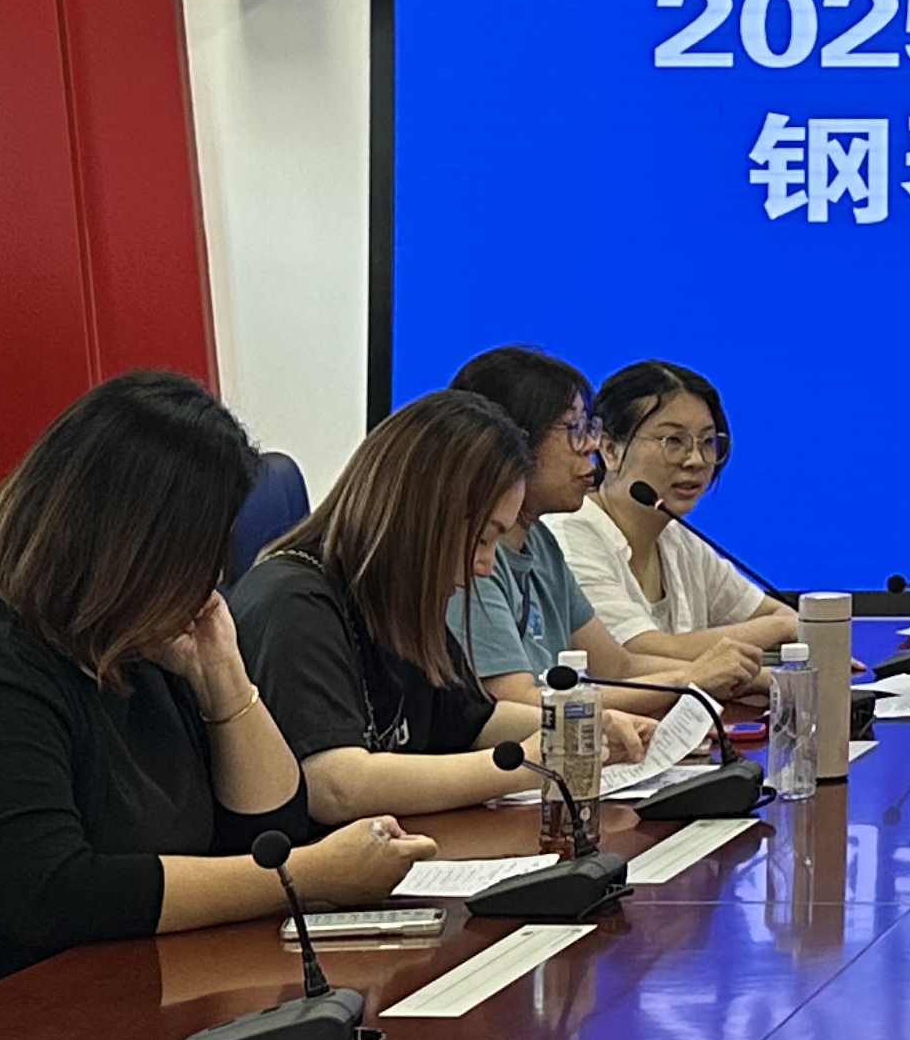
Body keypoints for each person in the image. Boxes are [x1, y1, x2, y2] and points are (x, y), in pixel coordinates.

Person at [0, 372, 433, 1040]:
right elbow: (56, 894)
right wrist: (303, 878)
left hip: (58, 1013)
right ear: (134, 548)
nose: (211, 581)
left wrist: (224, 681)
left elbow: (266, 829)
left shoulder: (135, 645)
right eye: (199, 554)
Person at [236, 391, 648, 823]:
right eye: (483, 539)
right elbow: (335, 784)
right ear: (425, 514)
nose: (485, 567)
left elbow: (473, 723)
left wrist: (580, 724)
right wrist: (531, 762)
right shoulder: (294, 601)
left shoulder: (399, 596)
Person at [452, 344, 740, 701]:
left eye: (588, 427)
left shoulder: (540, 542)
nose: (590, 445)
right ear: (511, 440)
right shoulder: (468, 559)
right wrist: (691, 680)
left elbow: (617, 667)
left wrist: (741, 677)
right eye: (573, 429)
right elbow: (518, 702)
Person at [554, 359, 800, 680]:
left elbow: (769, 610)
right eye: (673, 441)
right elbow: (638, 653)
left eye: (707, 442)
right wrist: (778, 629)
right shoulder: (569, 536)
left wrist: (784, 626)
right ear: (610, 450)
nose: (695, 460)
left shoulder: (677, 537)